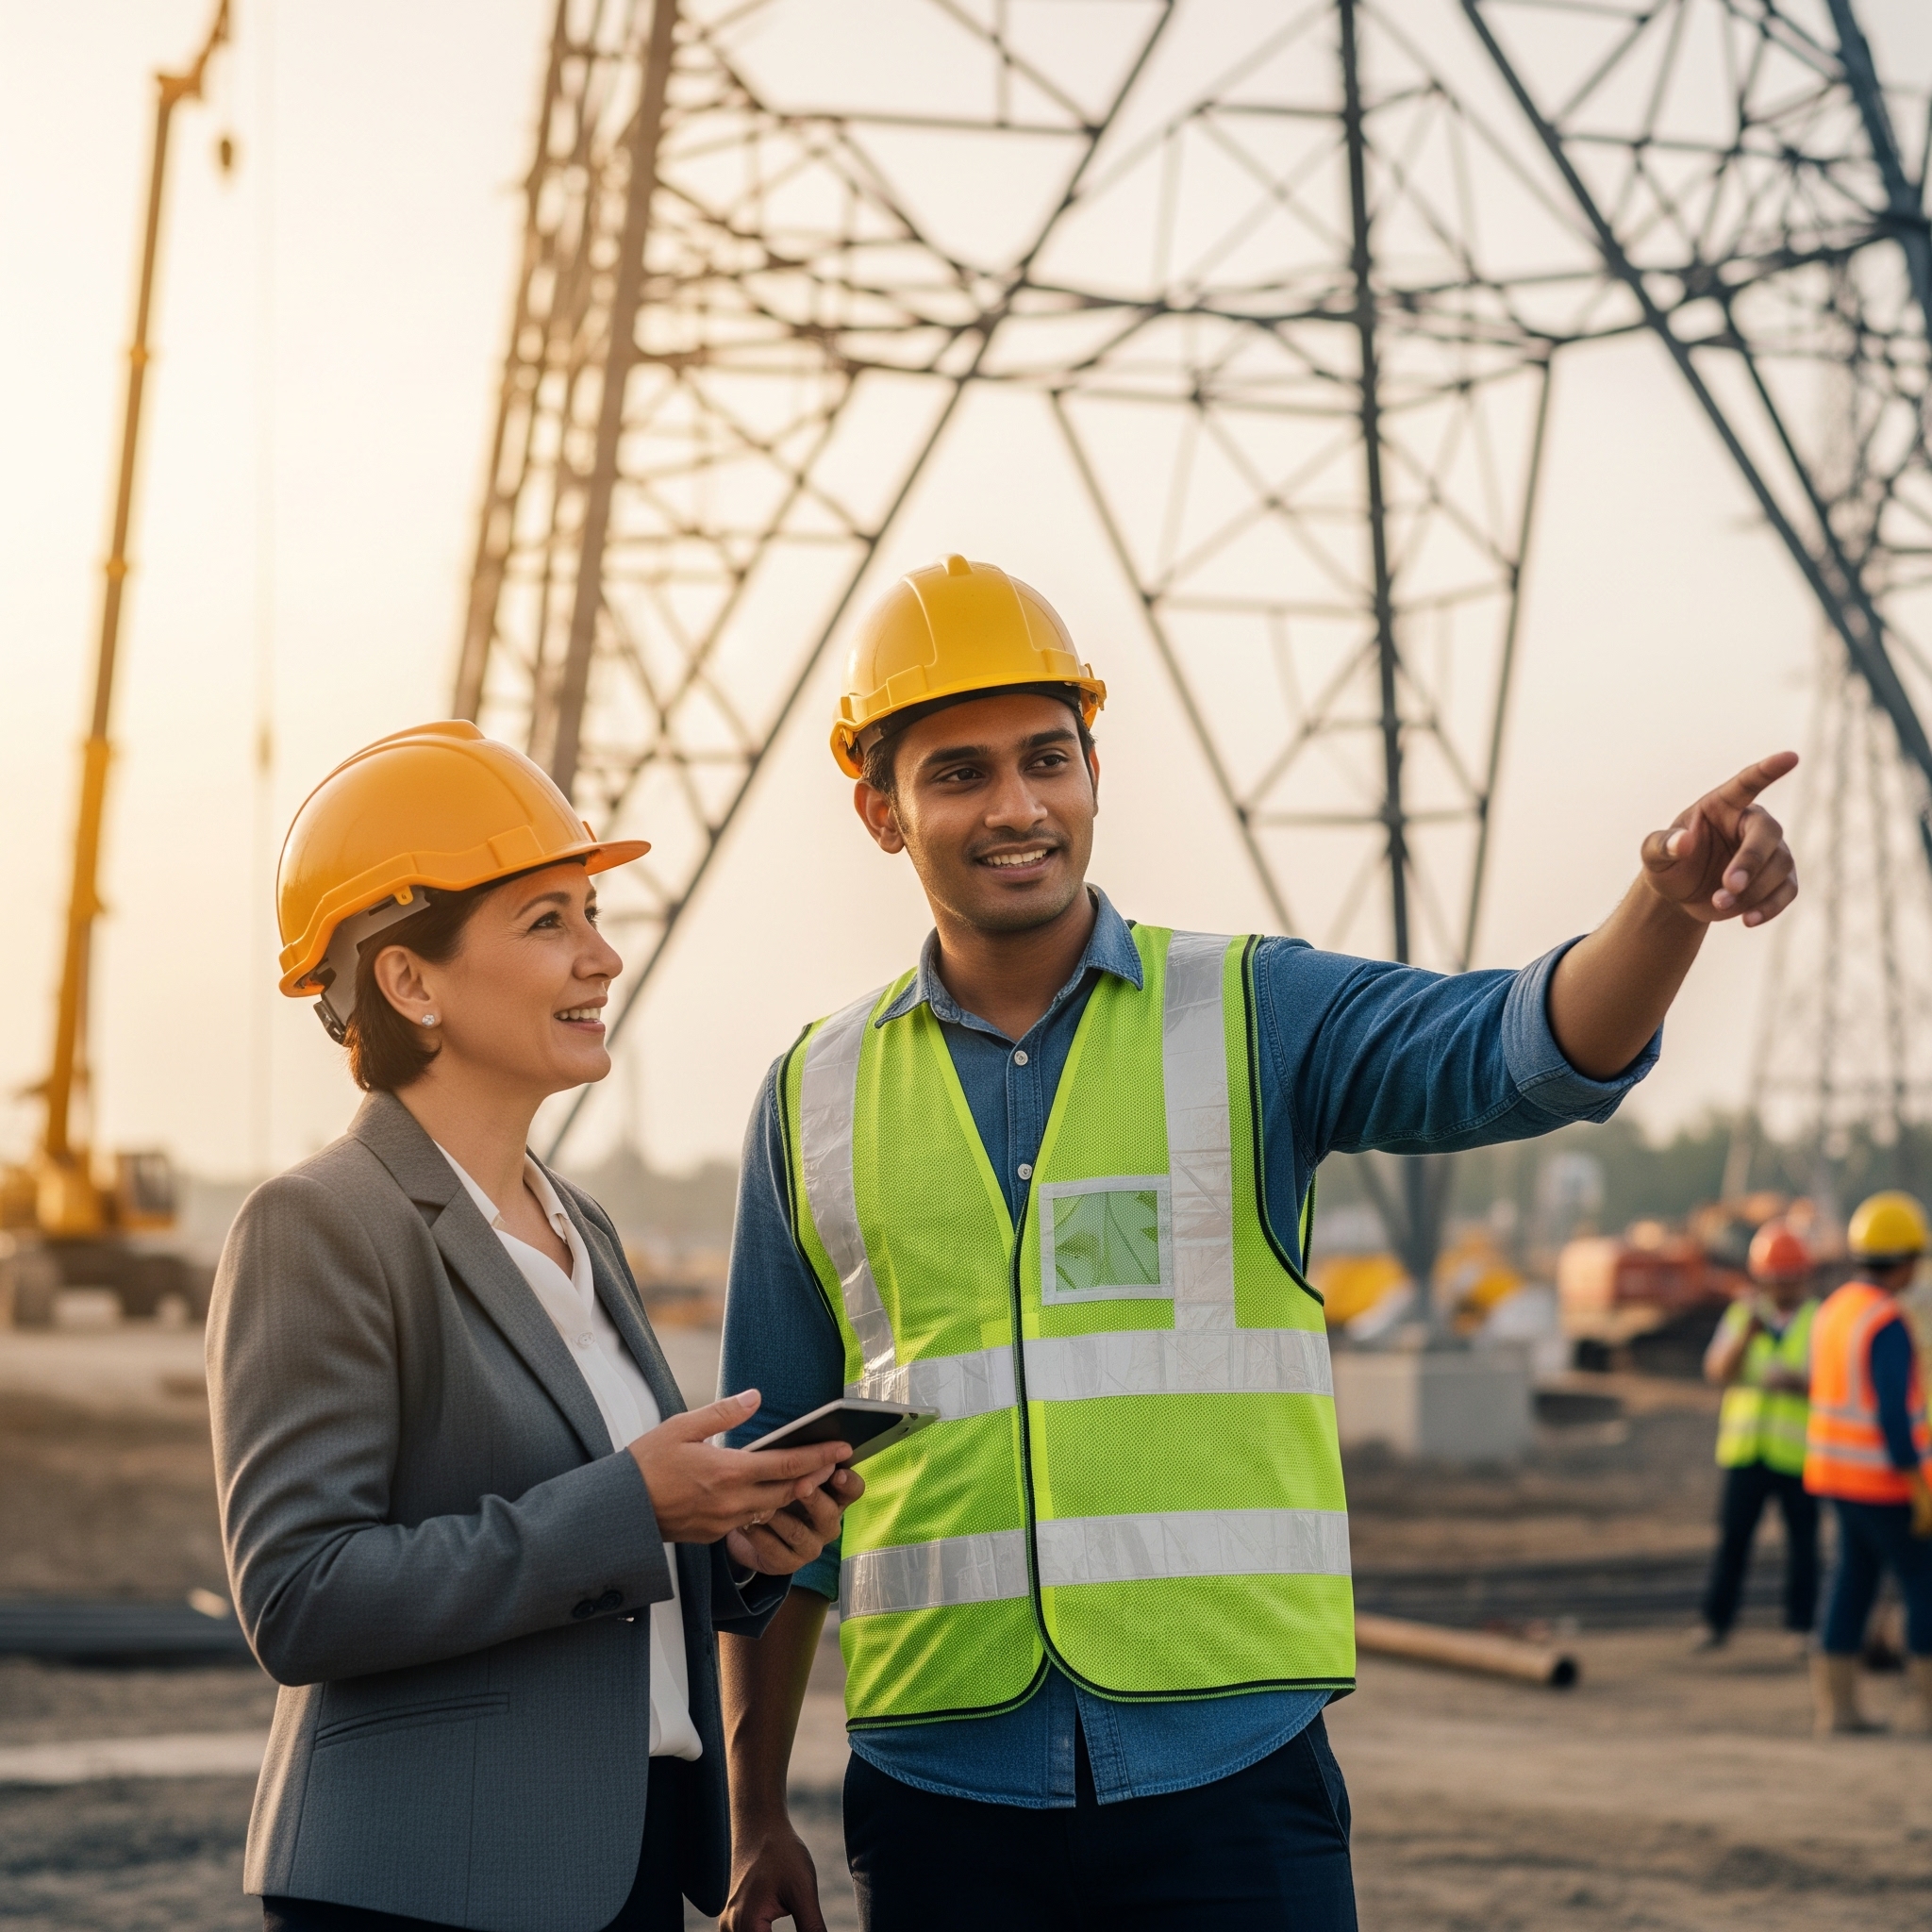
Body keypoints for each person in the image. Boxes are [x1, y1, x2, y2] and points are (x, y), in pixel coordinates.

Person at [712, 554, 1800, 1931]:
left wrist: (1667, 906)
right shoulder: (813, 1097)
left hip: (1231, 1789)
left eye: (1049, 759)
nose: (1018, 807)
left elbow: (1518, 1049)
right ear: (881, 810)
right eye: (960, 773)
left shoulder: (1248, 1014)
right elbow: (773, 1500)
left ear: (1095, 772)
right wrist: (755, 1815)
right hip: (940, 1801)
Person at [208, 720, 864, 1932]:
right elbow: (300, 1595)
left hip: (615, 1869)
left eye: (593, 911)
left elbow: (607, 1558)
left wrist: (739, 1549)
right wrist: (637, 1501)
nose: (602, 957)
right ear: (410, 979)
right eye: (547, 920)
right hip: (423, 1886)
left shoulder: (585, 1224)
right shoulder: (319, 1223)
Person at [1803, 1189, 1932, 1736]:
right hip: (1882, 1481)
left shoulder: (1834, 1310)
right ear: (1903, 1260)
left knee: (1851, 1581)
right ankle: (1926, 1708)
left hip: (1833, 1474)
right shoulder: (1887, 1322)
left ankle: (1838, 1709)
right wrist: (1919, 1488)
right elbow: (1894, 1418)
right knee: (1924, 1581)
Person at [1693, 1219, 1819, 1653]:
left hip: (1798, 1454)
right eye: (1773, 1279)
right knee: (1733, 1541)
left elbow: (1836, 1387)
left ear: (1802, 1276)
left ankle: (1801, 1625)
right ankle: (1716, 1621)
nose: (1780, 1287)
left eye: (1787, 1278)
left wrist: (1799, 1384)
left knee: (1804, 1546)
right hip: (1746, 1451)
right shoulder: (1742, 1316)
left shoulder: (1819, 1322)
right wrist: (1745, 1335)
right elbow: (1716, 1372)